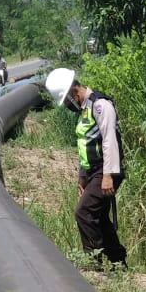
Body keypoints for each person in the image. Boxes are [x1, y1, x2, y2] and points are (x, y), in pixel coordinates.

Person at [45, 68, 127, 266]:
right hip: (93, 172)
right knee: (98, 216)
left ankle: (93, 262)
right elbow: (84, 145)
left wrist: (108, 175)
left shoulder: (100, 105)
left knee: (84, 213)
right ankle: (118, 263)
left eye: (66, 101)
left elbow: (109, 141)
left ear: (74, 92)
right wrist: (82, 176)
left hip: (106, 170)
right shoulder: (84, 111)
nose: (67, 106)